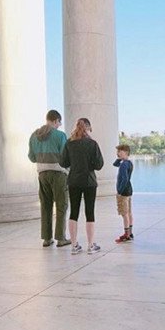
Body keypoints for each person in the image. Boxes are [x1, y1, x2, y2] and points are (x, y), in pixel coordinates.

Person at [60, 118, 104, 255]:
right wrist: (89, 164)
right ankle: (91, 245)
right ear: (88, 128)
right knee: (90, 213)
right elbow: (99, 165)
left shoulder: (69, 143)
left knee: (74, 212)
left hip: (73, 181)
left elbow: (63, 162)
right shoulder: (92, 144)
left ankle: (74, 246)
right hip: (89, 181)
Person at [28, 109, 71, 248]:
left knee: (45, 206)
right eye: (59, 122)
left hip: (42, 174)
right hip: (58, 173)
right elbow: (65, 156)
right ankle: (61, 238)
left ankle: (47, 238)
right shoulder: (60, 135)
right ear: (55, 121)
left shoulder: (34, 135)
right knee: (61, 205)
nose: (59, 125)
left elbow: (31, 157)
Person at [113, 144, 134, 243]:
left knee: (124, 213)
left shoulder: (123, 165)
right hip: (129, 190)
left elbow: (125, 179)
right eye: (117, 152)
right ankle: (130, 233)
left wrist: (120, 191)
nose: (118, 153)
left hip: (124, 192)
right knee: (129, 212)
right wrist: (119, 158)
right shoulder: (128, 163)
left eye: (120, 151)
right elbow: (115, 164)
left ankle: (126, 235)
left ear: (126, 152)